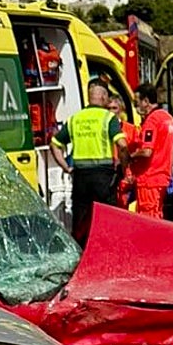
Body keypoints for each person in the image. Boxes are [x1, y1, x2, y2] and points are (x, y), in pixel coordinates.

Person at [49, 79, 129, 245]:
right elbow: (122, 145)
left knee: (81, 219)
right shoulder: (108, 118)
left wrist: (66, 168)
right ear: (104, 97)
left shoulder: (75, 119)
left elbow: (54, 144)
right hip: (103, 177)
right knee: (108, 217)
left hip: (80, 177)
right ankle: (107, 249)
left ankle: (81, 252)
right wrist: (123, 166)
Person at [122, 83, 173, 220]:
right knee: (157, 215)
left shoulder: (152, 121)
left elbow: (147, 151)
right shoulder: (167, 118)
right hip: (162, 176)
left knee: (148, 218)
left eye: (136, 102)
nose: (135, 107)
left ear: (146, 101)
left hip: (149, 178)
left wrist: (130, 156)